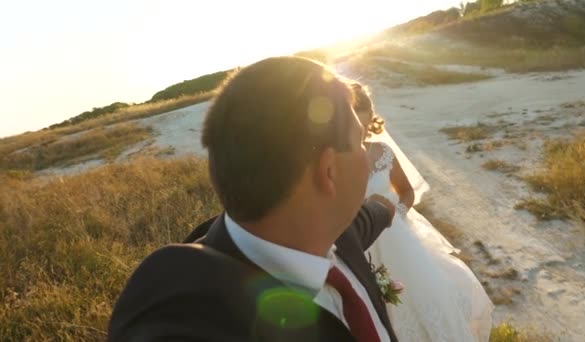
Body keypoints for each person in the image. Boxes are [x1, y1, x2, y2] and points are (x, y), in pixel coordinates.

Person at [108, 56, 401, 341]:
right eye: (360, 142)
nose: (367, 153)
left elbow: (366, 220)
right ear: (329, 171)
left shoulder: (332, 233)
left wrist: (385, 207)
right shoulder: (183, 307)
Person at [350, 83, 494, 342]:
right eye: (354, 128)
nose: (360, 135)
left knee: (426, 301)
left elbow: (406, 191)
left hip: (398, 239)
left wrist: (398, 215)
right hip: (361, 242)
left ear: (371, 121)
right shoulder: (339, 161)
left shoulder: (383, 152)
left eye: (365, 126)